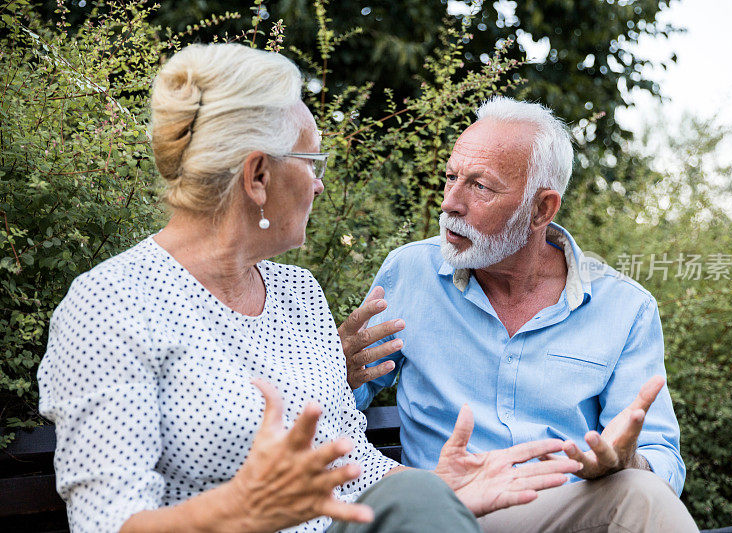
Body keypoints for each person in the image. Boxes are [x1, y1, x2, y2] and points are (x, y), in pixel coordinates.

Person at [37, 45, 582, 533]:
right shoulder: (109, 305)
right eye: (312, 162)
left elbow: (353, 463)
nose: (320, 183)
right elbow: (108, 523)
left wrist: (439, 486)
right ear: (258, 177)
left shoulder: (298, 292)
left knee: (419, 497)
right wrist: (240, 510)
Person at [342, 97, 699, 531]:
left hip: (561, 515)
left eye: (480, 186)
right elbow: (325, 410)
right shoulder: (410, 272)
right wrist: (337, 366)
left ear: (541, 209)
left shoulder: (625, 308)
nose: (450, 203)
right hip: (445, 513)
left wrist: (628, 462)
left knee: (640, 492)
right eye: (451, 178)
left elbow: (662, 458)